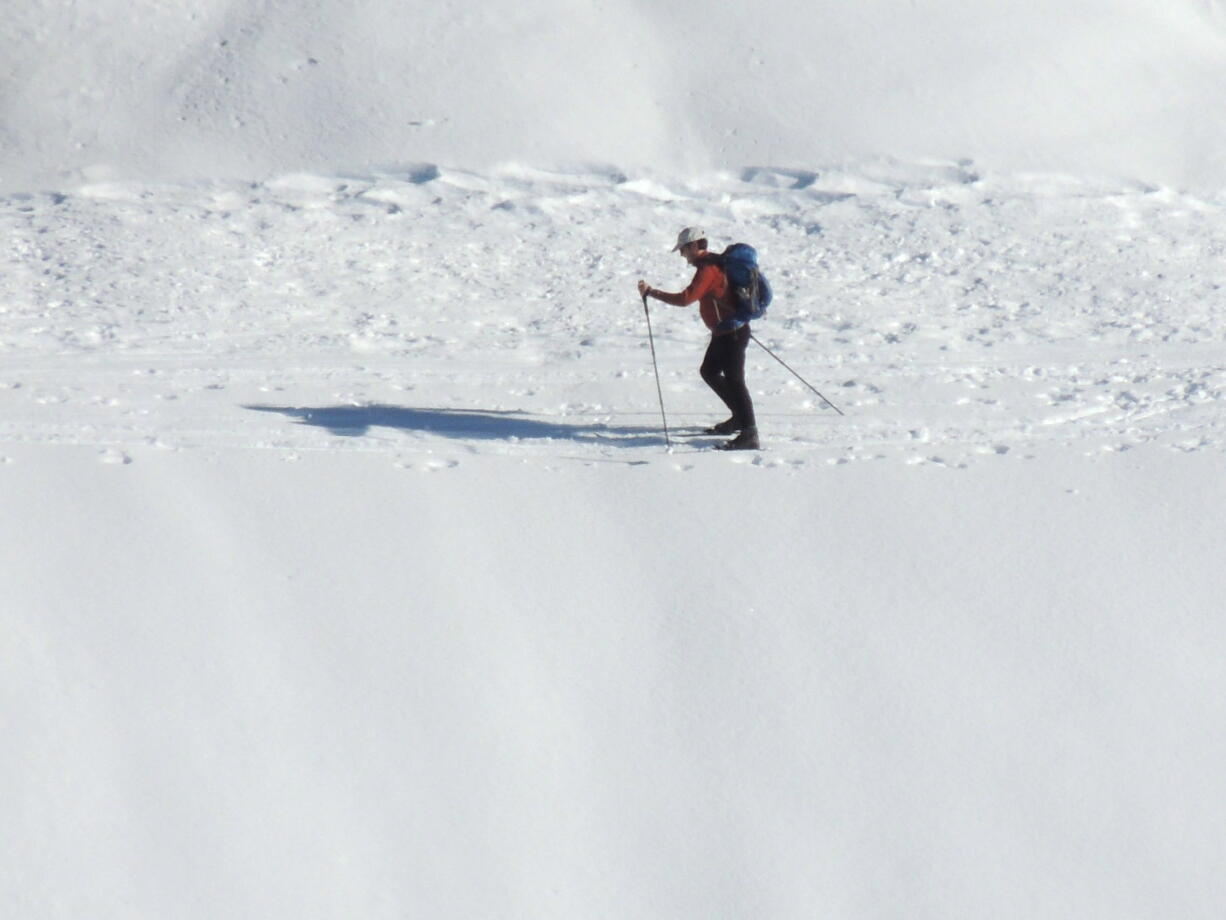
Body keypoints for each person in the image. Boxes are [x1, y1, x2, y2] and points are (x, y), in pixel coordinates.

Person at [638, 227, 759, 450]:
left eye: (683, 250)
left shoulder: (708, 268)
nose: (683, 256)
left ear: (694, 246)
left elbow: (686, 299)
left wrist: (652, 292)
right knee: (709, 372)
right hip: (725, 331)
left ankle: (749, 432)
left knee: (734, 380)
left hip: (732, 332)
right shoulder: (712, 263)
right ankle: (739, 418)